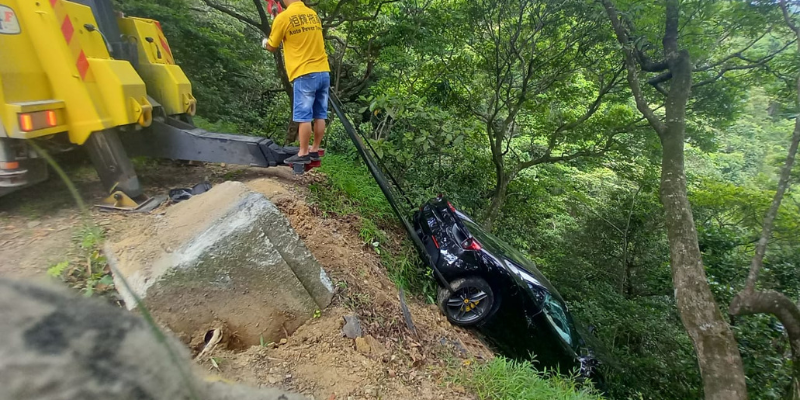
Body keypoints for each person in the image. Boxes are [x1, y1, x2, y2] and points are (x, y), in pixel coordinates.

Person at [264, 0, 329, 165]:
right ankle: (314, 149)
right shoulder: (312, 14)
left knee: (304, 117)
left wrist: (265, 42)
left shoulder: (283, 18)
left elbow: (272, 46)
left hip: (304, 74)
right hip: (323, 71)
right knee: (320, 114)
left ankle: (303, 152)